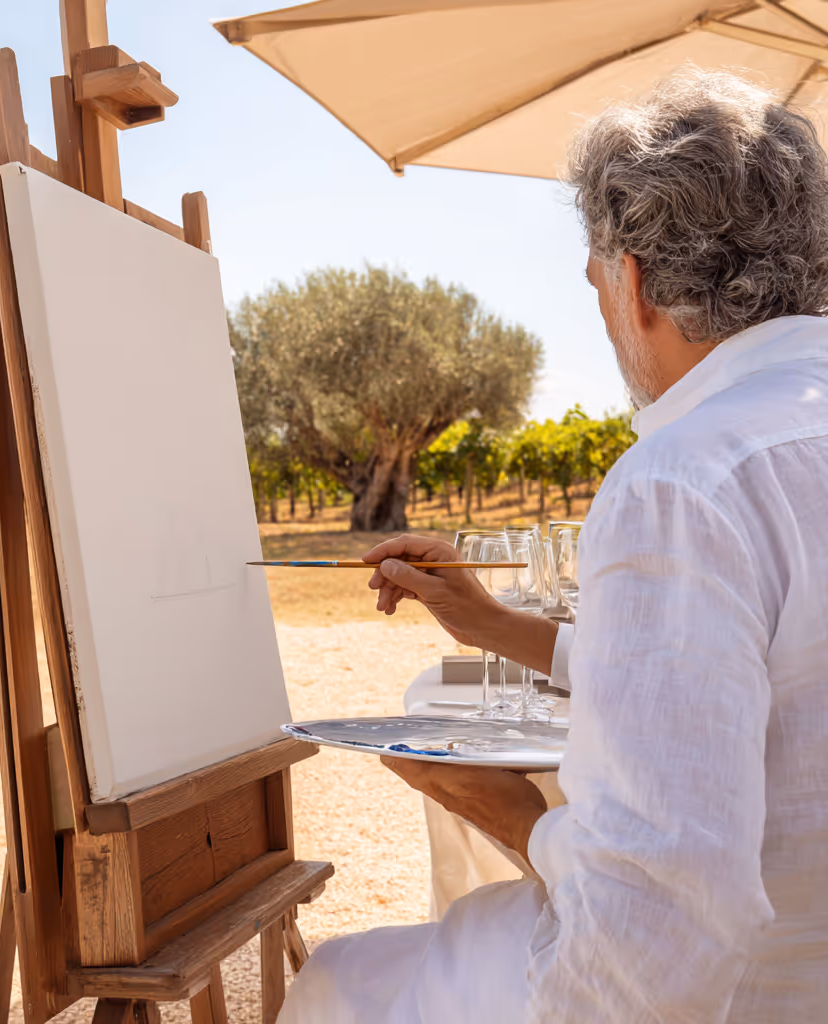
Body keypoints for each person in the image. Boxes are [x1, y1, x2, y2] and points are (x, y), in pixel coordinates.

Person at [278, 69, 828, 1023]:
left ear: (634, 281)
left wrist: (520, 825)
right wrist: (492, 625)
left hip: (758, 993)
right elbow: (764, 673)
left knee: (339, 981)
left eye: (594, 285)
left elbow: (660, 930)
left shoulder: (685, 482)